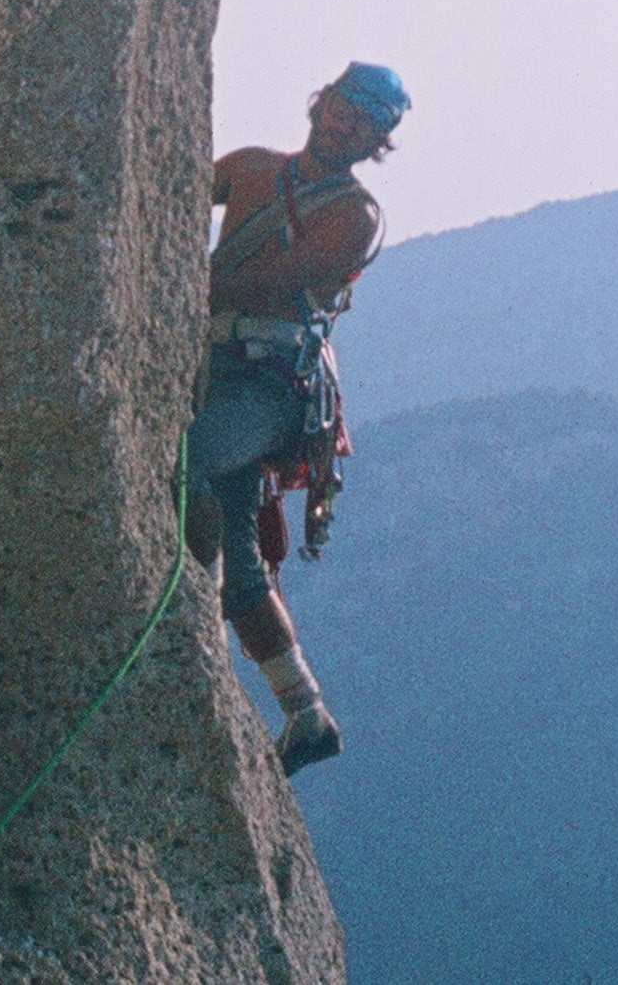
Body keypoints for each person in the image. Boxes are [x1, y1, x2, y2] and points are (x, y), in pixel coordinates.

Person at [187, 62, 408, 777]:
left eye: (364, 124)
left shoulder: (356, 216)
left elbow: (274, 280)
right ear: (322, 103)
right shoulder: (249, 167)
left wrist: (172, 277)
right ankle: (306, 713)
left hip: (272, 386)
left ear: (377, 141)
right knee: (243, 567)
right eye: (344, 110)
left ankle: (186, 627)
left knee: (185, 460)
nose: (346, 127)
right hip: (212, 365)